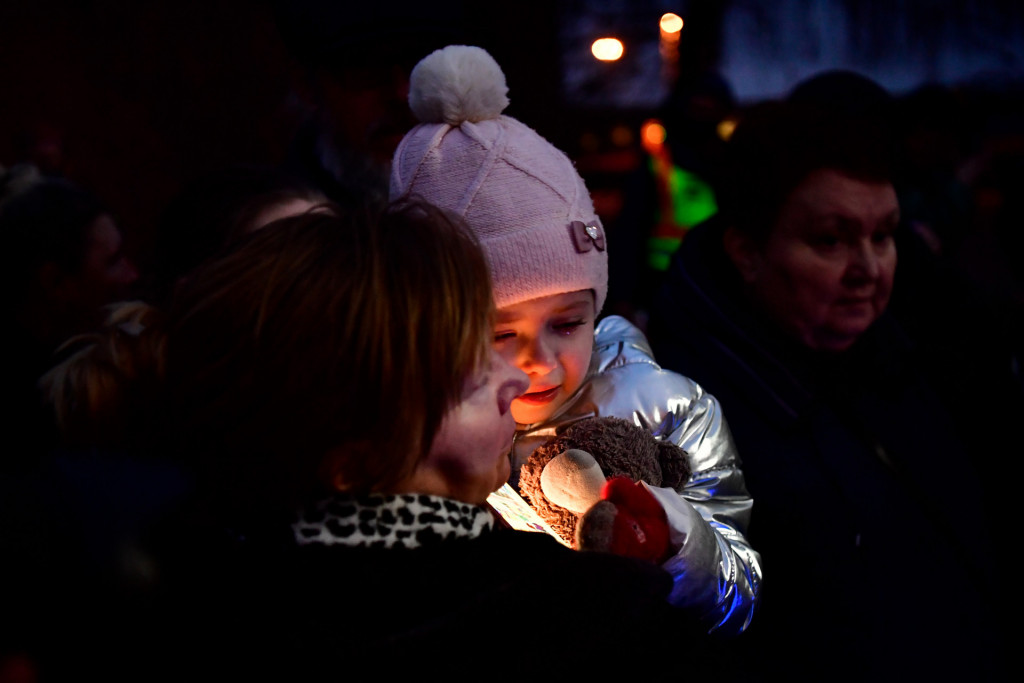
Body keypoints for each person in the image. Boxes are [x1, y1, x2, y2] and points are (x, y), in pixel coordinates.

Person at [26, 199, 713, 679]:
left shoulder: (191, 610)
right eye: (470, 375)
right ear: (354, 462)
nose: (516, 377)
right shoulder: (584, 623)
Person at [390, 45, 761, 635]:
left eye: (567, 323)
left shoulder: (664, 406)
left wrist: (672, 540)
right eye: (499, 333)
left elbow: (740, 592)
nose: (539, 360)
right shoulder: (412, 443)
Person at [647, 79, 1011, 680]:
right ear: (747, 252)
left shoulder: (907, 362)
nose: (867, 268)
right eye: (830, 240)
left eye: (884, 235)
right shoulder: (692, 427)